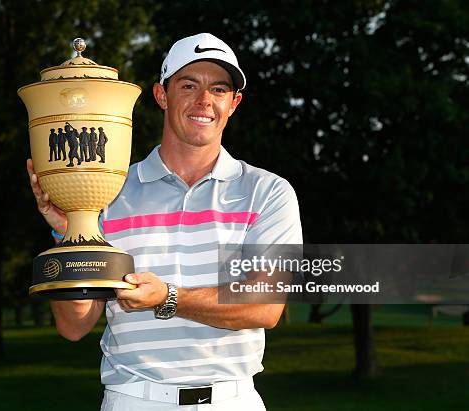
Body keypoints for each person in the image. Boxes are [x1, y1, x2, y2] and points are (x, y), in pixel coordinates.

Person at [27, 33, 302, 410]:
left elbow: (264, 306)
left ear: (233, 103)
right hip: (135, 399)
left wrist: (168, 298)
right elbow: (74, 326)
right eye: (189, 85)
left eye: (219, 89)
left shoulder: (267, 192)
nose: (204, 100)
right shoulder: (109, 192)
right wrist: (68, 229)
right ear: (161, 95)